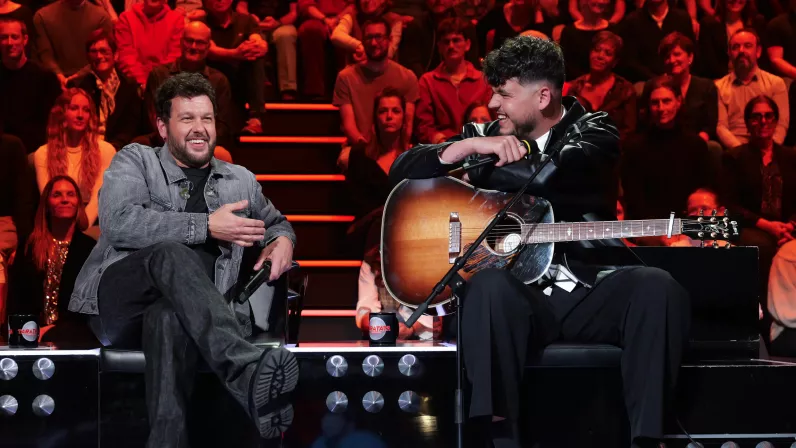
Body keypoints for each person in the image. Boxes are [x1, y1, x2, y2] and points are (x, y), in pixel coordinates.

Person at [389, 35, 690, 448]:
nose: (492, 104)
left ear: (543, 96)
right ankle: (498, 439)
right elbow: (401, 170)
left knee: (657, 287)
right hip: (516, 297)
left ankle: (647, 440)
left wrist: (479, 169)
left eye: (504, 94)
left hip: (587, 287)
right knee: (487, 287)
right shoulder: (485, 135)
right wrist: (469, 146)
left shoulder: (595, 129)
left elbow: (551, 175)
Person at [69, 72, 299, 446]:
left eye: (206, 118)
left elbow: (276, 223)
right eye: (187, 118)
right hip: (121, 302)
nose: (199, 128)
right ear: (163, 127)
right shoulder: (136, 161)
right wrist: (206, 225)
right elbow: (119, 223)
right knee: (171, 252)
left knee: (169, 316)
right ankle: (245, 369)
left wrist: (284, 240)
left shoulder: (239, 180)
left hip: (191, 314)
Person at [721, 95, 796, 298]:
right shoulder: (734, 158)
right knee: (762, 246)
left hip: (787, 226)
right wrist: (768, 226)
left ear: (775, 120)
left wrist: (790, 226)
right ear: (747, 123)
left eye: (768, 116)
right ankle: (763, 307)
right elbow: (730, 205)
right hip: (753, 225)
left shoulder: (791, 157)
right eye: (756, 117)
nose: (763, 121)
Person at [7, 176, 96, 344]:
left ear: (78, 203)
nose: (64, 199)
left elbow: (88, 307)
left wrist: (53, 330)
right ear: (46, 204)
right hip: (29, 333)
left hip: (74, 335)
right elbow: (17, 300)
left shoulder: (90, 249)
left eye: (70, 194)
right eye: (57, 195)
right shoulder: (29, 247)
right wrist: (31, 333)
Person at [622, 77, 714, 231]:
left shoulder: (696, 145)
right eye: (655, 103)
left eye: (666, 101)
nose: (661, 108)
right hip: (649, 227)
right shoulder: (634, 147)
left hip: (689, 224)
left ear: (678, 101)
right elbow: (635, 200)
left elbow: (703, 193)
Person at [33, 88, 116, 229]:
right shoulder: (43, 153)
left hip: (94, 223)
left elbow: (98, 198)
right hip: (57, 222)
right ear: (61, 113)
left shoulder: (106, 151)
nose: (80, 115)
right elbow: (49, 200)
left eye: (86, 110)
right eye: (74, 108)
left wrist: (80, 228)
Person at [144, 21, 235, 149]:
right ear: (181, 42)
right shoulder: (160, 75)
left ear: (208, 46)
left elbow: (221, 126)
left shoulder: (218, 81)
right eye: (189, 41)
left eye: (200, 42)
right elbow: (155, 117)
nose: (193, 46)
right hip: (166, 143)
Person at [332, 17, 418, 147]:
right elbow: (349, 127)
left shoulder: (407, 77)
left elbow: (408, 125)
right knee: (346, 157)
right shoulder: (346, 77)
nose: (373, 43)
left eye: (379, 37)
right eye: (369, 38)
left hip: (395, 149)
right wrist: (368, 151)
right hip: (359, 147)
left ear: (389, 40)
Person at [416, 17, 491, 144]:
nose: (451, 46)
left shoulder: (483, 81)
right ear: (439, 47)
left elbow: (494, 121)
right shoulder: (428, 82)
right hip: (443, 147)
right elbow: (424, 127)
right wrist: (442, 142)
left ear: (467, 45)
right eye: (446, 42)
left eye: (456, 40)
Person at [70, 28, 145, 151]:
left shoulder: (129, 87)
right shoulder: (80, 87)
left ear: (115, 55)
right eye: (93, 52)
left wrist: (111, 149)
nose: (99, 56)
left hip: (119, 149)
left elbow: (130, 127)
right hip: (86, 148)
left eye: (104, 51)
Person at [715, 28, 789, 149]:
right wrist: (742, 152)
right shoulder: (719, 87)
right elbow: (720, 127)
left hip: (769, 148)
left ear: (758, 51)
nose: (741, 51)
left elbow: (781, 125)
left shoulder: (776, 84)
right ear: (729, 53)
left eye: (747, 46)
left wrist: (769, 150)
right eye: (735, 47)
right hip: (735, 150)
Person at [204, 0, 269, 134]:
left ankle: (255, 117)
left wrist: (258, 45)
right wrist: (235, 54)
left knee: (255, 56)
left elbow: (257, 39)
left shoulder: (246, 20)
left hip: (239, 77)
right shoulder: (201, 22)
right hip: (213, 77)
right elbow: (210, 50)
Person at [641, 32, 718, 143]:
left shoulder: (706, 87)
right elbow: (645, 123)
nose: (672, 60)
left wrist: (696, 144)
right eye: (667, 57)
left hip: (695, 143)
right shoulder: (652, 86)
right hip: (659, 142)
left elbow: (709, 127)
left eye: (677, 54)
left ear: (690, 57)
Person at [0, 18, 61, 153]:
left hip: (35, 152)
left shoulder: (45, 77)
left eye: (14, 37)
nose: (9, 43)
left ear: (25, 39)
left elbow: (55, 123)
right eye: (4, 37)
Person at [567, 30, 636, 137]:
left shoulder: (625, 90)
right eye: (597, 50)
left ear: (615, 62)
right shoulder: (575, 87)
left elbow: (629, 131)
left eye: (608, 53)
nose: (600, 56)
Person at [33, 0, 112, 87]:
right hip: (54, 84)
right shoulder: (42, 17)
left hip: (93, 83)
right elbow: (45, 55)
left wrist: (76, 77)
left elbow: (106, 55)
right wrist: (59, 77)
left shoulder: (101, 17)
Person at [115, 0, 185, 86]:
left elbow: (174, 57)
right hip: (135, 84)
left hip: (164, 82)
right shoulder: (126, 18)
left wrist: (156, 83)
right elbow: (126, 57)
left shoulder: (177, 19)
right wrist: (143, 83)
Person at [698, 0, 765, 79]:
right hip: (721, 80)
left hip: (754, 78)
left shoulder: (757, 21)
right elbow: (709, 62)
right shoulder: (709, 25)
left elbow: (762, 59)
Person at [558, 0, 614, 81]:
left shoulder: (613, 30)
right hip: (575, 83)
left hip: (605, 83)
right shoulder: (569, 32)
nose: (601, 2)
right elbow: (564, 66)